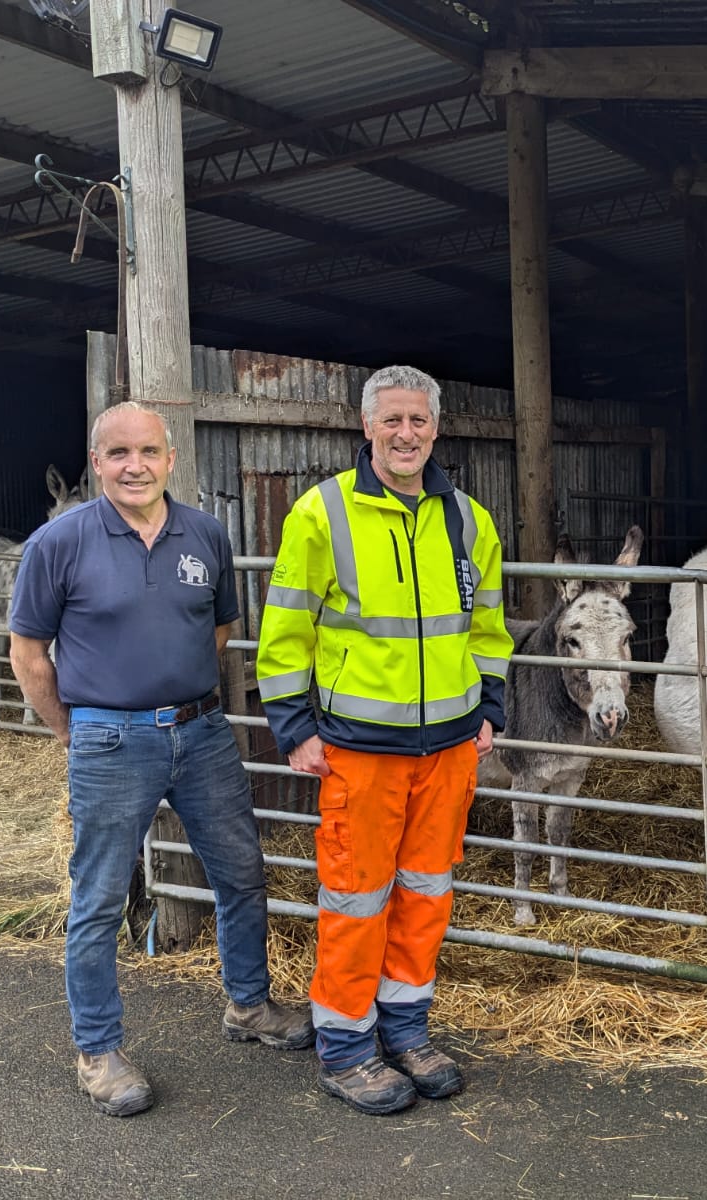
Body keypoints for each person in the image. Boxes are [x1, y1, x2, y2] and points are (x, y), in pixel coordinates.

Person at [9, 401, 313, 1118]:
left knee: (241, 873)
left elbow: (221, 630)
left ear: (171, 458)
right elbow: (28, 655)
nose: (134, 465)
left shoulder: (206, 535)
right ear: (97, 463)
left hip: (202, 734)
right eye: (117, 454)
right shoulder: (60, 541)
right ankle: (99, 1050)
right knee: (99, 898)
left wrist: (179, 698)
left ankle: (248, 1005)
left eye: (147, 451)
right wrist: (73, 731)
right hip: (110, 740)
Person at [256, 364, 512, 1116]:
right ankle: (345, 1046)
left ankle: (406, 1029)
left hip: (450, 748)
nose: (407, 434)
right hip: (360, 748)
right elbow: (285, 630)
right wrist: (294, 727)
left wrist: (488, 705)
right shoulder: (321, 514)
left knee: (426, 895)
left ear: (437, 428)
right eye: (392, 420)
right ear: (366, 427)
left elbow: (488, 627)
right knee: (356, 899)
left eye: (419, 421)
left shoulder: (468, 519)